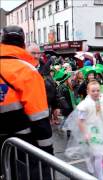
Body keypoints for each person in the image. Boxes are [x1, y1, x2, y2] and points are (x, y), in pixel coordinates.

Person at [0, 25, 53, 179]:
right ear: (23, 45)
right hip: (23, 150)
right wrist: (48, 154)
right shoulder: (27, 71)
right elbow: (39, 119)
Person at [65, 81, 103, 180]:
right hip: (89, 130)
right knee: (98, 155)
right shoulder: (85, 105)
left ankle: (91, 165)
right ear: (88, 91)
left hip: (100, 129)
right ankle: (100, 177)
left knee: (97, 154)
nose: (96, 93)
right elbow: (80, 121)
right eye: (93, 91)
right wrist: (86, 133)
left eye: (97, 90)